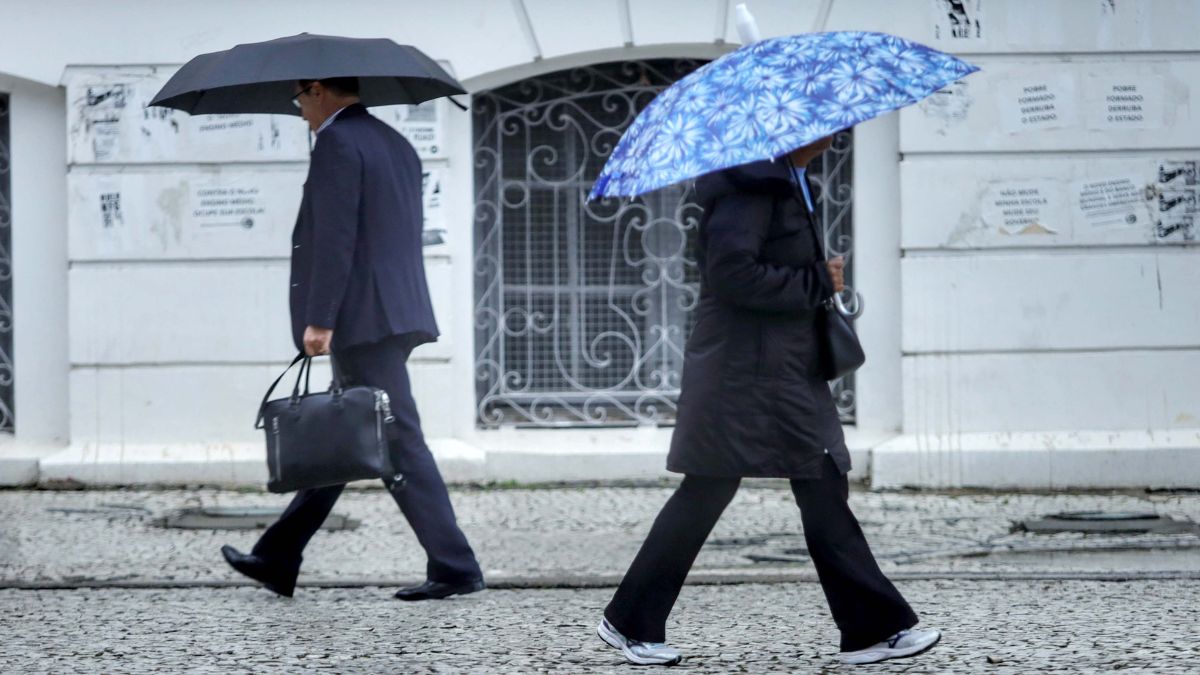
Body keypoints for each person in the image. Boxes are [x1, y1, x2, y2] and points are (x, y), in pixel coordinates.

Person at [596, 136, 940, 666]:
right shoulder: (750, 189)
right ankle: (629, 621)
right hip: (742, 374)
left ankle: (872, 629)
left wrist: (814, 280)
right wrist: (815, 281)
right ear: (793, 132)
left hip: (781, 367)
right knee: (710, 490)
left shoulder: (790, 182)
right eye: (826, 125)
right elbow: (732, 274)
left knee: (821, 480)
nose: (835, 134)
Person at [221, 77, 484, 602]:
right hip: (392, 309)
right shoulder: (393, 141)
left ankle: (455, 566)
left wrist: (321, 318)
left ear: (317, 90)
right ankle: (278, 555)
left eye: (298, 99)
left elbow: (336, 237)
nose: (299, 113)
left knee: (398, 439)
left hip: (363, 317)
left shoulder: (339, 143)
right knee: (347, 434)